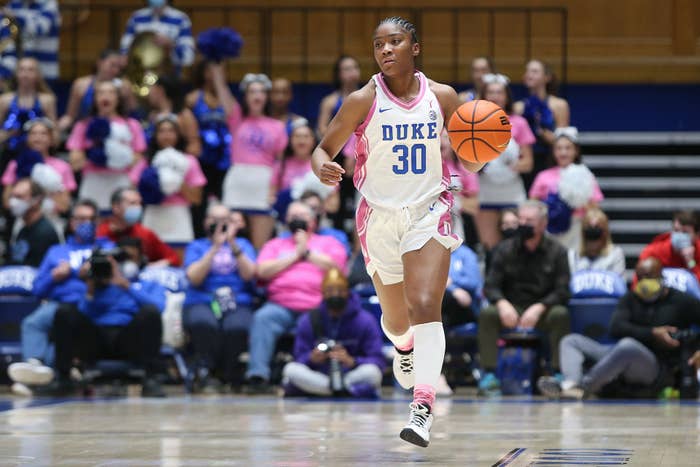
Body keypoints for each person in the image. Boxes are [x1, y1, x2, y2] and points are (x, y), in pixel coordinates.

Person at [311, 17, 484, 447]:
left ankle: (422, 408)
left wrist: (484, 148)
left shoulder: (443, 96)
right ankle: (404, 348)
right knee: (396, 318)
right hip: (379, 216)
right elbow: (322, 149)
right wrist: (324, 169)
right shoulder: (361, 99)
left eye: (395, 42)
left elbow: (471, 162)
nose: (386, 50)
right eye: (379, 45)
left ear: (415, 47)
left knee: (426, 303)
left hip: (430, 209)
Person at [538, 257, 700, 400]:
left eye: (649, 277)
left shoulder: (682, 301)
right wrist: (652, 333)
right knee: (571, 340)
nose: (644, 282)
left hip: (656, 366)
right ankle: (571, 383)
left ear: (661, 277)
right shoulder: (631, 297)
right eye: (640, 277)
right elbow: (616, 328)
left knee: (627, 346)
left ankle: (581, 387)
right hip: (618, 353)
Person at [7, 199, 112, 396]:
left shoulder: (106, 248)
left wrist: (77, 274)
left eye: (90, 219)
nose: (85, 224)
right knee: (33, 322)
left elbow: (115, 279)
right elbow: (38, 289)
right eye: (80, 219)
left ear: (98, 222)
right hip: (58, 303)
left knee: (63, 331)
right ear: (71, 222)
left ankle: (36, 379)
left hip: (90, 304)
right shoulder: (57, 251)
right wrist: (54, 277)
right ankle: (34, 364)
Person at [245, 201, 347, 393]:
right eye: (292, 217)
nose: (297, 220)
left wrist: (306, 252)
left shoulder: (328, 243)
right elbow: (262, 270)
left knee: (321, 320)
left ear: (313, 221)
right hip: (280, 305)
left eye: (302, 216)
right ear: (286, 220)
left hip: (316, 306)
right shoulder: (275, 244)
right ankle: (257, 376)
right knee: (262, 318)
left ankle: (315, 378)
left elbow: (337, 267)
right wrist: (294, 255)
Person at [48, 240, 167, 397]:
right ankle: (63, 379)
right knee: (64, 311)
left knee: (150, 312)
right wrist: (90, 290)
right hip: (96, 340)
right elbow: (82, 313)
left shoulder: (147, 284)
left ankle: (151, 379)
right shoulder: (95, 285)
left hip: (128, 339)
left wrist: (126, 286)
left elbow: (158, 307)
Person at [478, 200, 571, 394]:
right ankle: (489, 374)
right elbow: (491, 285)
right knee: (488, 314)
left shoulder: (558, 252)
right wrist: (502, 304)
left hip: (542, 310)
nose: (523, 224)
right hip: (511, 308)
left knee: (560, 314)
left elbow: (563, 290)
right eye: (521, 219)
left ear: (543, 223)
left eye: (529, 220)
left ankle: (558, 373)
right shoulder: (504, 249)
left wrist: (540, 307)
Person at [182, 204, 257, 392]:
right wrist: (215, 247)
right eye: (213, 219)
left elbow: (249, 275)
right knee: (204, 323)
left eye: (225, 220)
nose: (219, 224)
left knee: (237, 326)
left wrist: (232, 244)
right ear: (205, 221)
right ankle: (208, 372)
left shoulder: (243, 245)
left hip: (238, 300)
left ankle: (229, 373)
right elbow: (194, 277)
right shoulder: (197, 246)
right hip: (201, 299)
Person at [282, 267, 385, 398]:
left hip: (350, 374)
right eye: (330, 291)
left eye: (340, 291)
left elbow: (377, 359)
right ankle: (340, 390)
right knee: (290, 370)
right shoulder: (308, 320)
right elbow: (299, 357)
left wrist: (352, 361)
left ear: (347, 292)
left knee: (373, 373)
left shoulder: (365, 320)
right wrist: (312, 358)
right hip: (319, 374)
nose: (335, 294)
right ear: (323, 293)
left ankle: (324, 390)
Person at [222, 72, 288, 250]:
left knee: (261, 246)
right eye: (252, 91)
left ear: (267, 96)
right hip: (238, 180)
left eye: (261, 91)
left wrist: (274, 188)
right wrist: (216, 63)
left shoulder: (278, 126)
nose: (257, 95)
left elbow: (280, 163)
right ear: (245, 96)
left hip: (263, 183)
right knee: (229, 240)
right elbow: (222, 90)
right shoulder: (236, 118)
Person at [476, 73, 535, 251]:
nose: (495, 96)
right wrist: (483, 166)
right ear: (484, 96)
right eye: (491, 92)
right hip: (486, 192)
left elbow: (528, 163)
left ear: (506, 96)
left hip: (512, 192)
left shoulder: (519, 123)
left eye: (499, 92)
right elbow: (466, 161)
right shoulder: (473, 123)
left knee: (517, 245)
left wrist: (507, 167)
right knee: (490, 248)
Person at [67, 79, 146, 210]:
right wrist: (94, 154)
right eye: (101, 93)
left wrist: (116, 157)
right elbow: (75, 162)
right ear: (95, 98)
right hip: (93, 181)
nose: (106, 96)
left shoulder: (132, 125)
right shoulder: (83, 125)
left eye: (111, 92)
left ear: (118, 98)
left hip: (122, 181)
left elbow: (139, 158)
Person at [129, 115, 206, 243]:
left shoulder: (189, 161)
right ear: (155, 135)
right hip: (153, 214)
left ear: (178, 134)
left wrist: (176, 182)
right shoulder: (146, 161)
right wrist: (152, 187)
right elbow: (133, 191)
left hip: (178, 216)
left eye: (171, 131)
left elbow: (197, 199)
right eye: (162, 131)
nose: (166, 135)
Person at [529, 128, 603, 250]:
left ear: (576, 151)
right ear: (553, 151)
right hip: (549, 228)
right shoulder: (543, 176)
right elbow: (532, 203)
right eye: (559, 148)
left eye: (568, 148)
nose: (563, 153)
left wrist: (577, 203)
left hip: (576, 227)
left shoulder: (586, 175)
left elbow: (595, 207)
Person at [317, 55, 362, 237]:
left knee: (359, 204)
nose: (351, 72)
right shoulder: (330, 101)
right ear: (338, 74)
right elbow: (322, 129)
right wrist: (342, 148)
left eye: (354, 67)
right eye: (346, 69)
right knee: (339, 205)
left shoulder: (367, 98)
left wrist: (354, 151)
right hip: (338, 157)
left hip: (362, 155)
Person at [2, 118, 76, 221]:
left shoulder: (63, 166)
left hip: (51, 221)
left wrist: (48, 187)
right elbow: (7, 202)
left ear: (51, 139)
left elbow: (64, 206)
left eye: (43, 133)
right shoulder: (15, 164)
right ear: (27, 138)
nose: (38, 137)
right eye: (33, 133)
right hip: (22, 220)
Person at [514, 59, 570, 189]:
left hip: (548, 159)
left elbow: (563, 141)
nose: (529, 75)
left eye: (535, 71)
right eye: (527, 71)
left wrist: (541, 129)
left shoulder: (559, 105)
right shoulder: (517, 107)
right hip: (524, 160)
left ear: (547, 77)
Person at [185, 61, 235, 202]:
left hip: (225, 157)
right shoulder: (193, 98)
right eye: (211, 71)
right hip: (202, 157)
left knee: (224, 198)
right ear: (204, 73)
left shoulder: (227, 99)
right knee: (201, 200)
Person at [58, 49, 137, 133]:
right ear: (100, 62)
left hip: (117, 131)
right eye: (112, 65)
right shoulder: (81, 85)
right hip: (86, 131)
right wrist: (58, 128)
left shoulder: (124, 86)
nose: (115, 70)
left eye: (119, 67)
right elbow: (70, 116)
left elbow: (133, 114)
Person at [96, 187, 180, 266]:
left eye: (139, 203)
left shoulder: (145, 233)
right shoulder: (100, 232)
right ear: (116, 207)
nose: (138, 207)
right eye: (132, 203)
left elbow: (173, 258)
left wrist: (152, 267)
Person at [0, 57, 56, 158]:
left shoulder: (47, 100)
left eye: (30, 70)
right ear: (16, 74)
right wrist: (7, 134)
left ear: (38, 75)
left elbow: (54, 132)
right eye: (22, 69)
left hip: (38, 153)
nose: (25, 74)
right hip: (10, 151)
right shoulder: (5, 100)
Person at [119, 0, 195, 69]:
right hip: (140, 70)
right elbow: (125, 48)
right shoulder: (136, 17)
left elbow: (188, 58)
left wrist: (171, 44)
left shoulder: (181, 19)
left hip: (169, 74)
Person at [0, 0, 61, 80]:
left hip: (45, 71)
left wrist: (14, 17)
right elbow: (6, 36)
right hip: (20, 72)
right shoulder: (14, 4)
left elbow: (40, 27)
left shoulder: (49, 4)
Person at [5, 178, 59, 266]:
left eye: (19, 197)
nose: (13, 202)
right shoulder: (23, 230)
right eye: (12, 196)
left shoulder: (45, 233)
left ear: (36, 200)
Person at [440, 128, 479, 247]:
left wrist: (454, 200)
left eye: (445, 138)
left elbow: (474, 207)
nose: (441, 141)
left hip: (457, 224)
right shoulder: (425, 167)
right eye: (437, 137)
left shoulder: (465, 167)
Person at [269, 120, 315, 220]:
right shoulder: (281, 165)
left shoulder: (320, 164)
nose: (301, 141)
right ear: (290, 140)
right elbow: (271, 197)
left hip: (314, 220)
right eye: (297, 136)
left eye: (306, 136)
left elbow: (333, 204)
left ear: (313, 140)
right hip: (286, 219)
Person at [146, 75, 201, 157]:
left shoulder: (184, 115)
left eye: (152, 89)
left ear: (160, 90)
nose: (149, 95)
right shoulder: (152, 116)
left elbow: (195, 147)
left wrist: (175, 158)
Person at [639, 210, 700, 283]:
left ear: (697, 235)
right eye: (676, 230)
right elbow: (638, 286)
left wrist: (690, 262)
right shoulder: (653, 252)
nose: (679, 236)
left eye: (685, 232)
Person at [568, 208, 625, 275]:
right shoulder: (573, 254)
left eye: (597, 231)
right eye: (589, 232)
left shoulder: (616, 253)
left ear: (605, 233)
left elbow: (618, 282)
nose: (593, 237)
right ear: (583, 233)